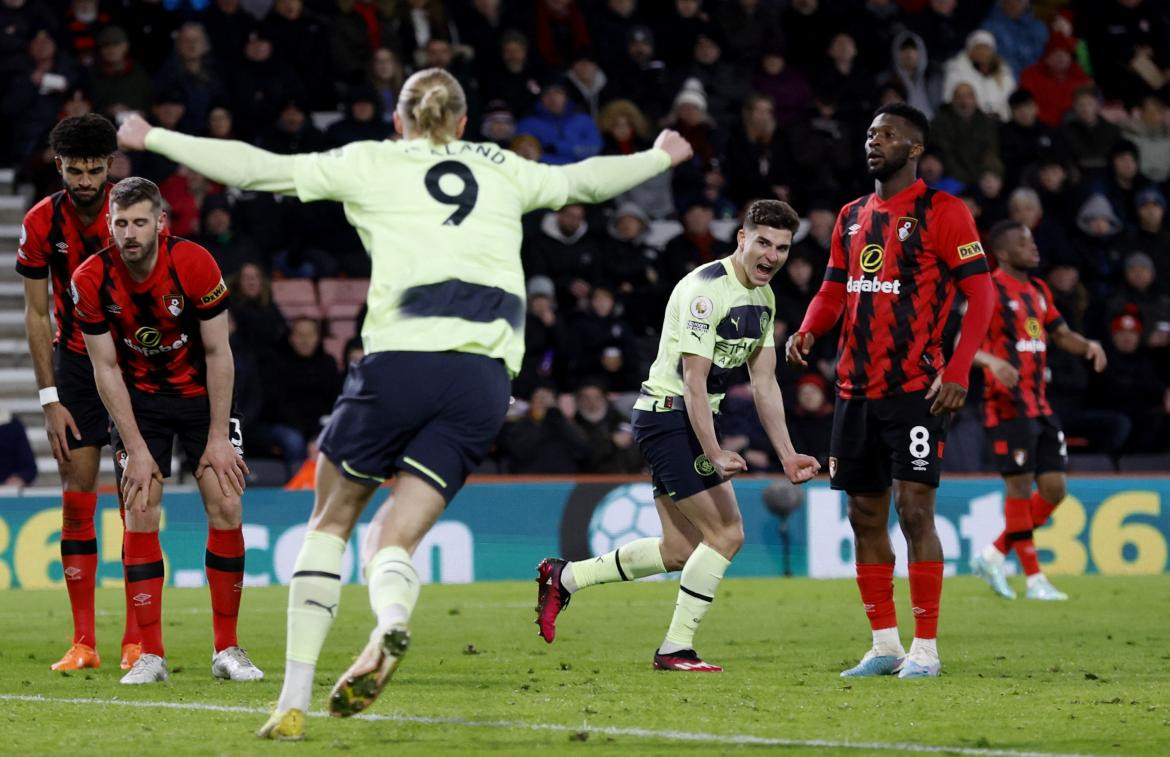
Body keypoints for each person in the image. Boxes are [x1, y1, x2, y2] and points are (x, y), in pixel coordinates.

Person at [116, 67, 691, 739]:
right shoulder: (505, 166)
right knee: (396, 536)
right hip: (483, 381)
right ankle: (390, 620)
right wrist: (659, 155)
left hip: (402, 363)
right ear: (465, 124)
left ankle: (293, 699)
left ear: (399, 120)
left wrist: (154, 134)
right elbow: (587, 181)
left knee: (330, 519)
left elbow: (259, 168)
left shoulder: (372, 161)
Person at [534, 200, 820, 672]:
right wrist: (713, 451)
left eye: (783, 248)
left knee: (681, 550)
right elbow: (692, 380)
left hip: (684, 419)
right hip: (673, 418)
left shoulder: (763, 299)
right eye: (763, 243)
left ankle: (565, 577)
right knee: (727, 534)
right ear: (741, 239)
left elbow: (765, 381)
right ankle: (675, 648)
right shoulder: (705, 291)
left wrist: (787, 454)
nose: (772, 255)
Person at [786, 103, 994, 679]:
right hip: (855, 387)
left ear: (916, 148)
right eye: (871, 133)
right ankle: (884, 644)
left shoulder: (943, 212)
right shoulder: (852, 216)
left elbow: (983, 297)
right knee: (863, 514)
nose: (875, 142)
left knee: (915, 510)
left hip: (915, 390)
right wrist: (808, 327)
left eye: (889, 135)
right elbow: (833, 290)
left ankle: (925, 648)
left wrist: (956, 372)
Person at [71, 177, 262, 686]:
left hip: (203, 401)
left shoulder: (195, 263)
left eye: (139, 222)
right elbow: (104, 368)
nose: (130, 233)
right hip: (140, 407)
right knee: (139, 510)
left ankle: (228, 649)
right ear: (108, 225)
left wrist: (220, 436)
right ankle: (150, 655)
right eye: (120, 223)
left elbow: (221, 353)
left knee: (226, 503)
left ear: (160, 222)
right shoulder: (90, 280)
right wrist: (133, 447)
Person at [16, 114, 142, 672]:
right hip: (75, 364)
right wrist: (49, 397)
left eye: (95, 169)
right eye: (75, 170)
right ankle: (84, 642)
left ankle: (138, 639)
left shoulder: (136, 214)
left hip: (137, 360)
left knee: (136, 494)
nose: (86, 180)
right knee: (77, 490)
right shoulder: (42, 221)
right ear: (58, 164)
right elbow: (37, 311)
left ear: (111, 165)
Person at [969, 220, 1107, 601]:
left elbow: (1061, 335)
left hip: (1040, 405)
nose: (1034, 248)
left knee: (1054, 488)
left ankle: (993, 553)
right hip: (1005, 405)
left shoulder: (1039, 290)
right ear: (1003, 252)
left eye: (1032, 241)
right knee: (1019, 485)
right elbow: (964, 343)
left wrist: (1088, 346)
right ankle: (1034, 579)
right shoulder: (989, 289)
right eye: (1024, 243)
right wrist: (992, 363)